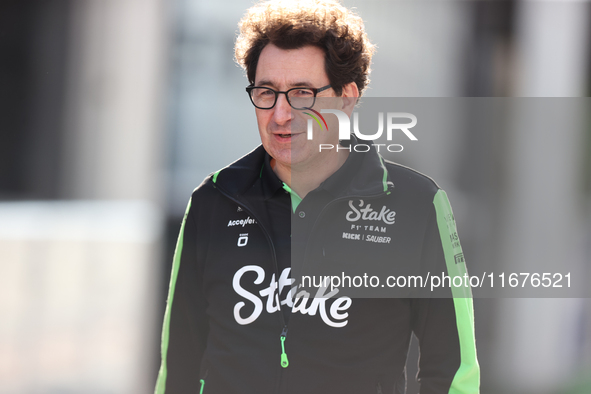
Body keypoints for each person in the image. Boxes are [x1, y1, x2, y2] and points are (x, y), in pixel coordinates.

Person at [155, 1, 480, 393]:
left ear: (346, 98)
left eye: (303, 94)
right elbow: (180, 368)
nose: (280, 115)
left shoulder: (416, 206)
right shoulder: (214, 200)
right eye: (266, 92)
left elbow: (453, 372)